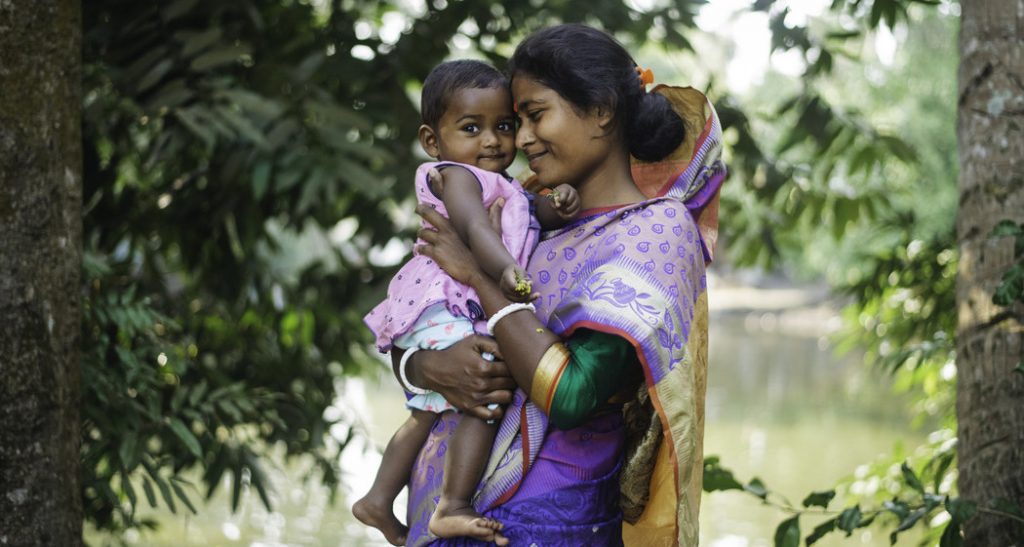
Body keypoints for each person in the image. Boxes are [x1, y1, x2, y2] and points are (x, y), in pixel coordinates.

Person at [396, 24, 727, 546]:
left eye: (533, 115)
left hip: (544, 523)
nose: (518, 140)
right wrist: (421, 367)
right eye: (516, 121)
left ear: (601, 110)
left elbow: (571, 394)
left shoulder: (656, 231)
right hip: (443, 509)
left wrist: (480, 277)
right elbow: (423, 312)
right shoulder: (524, 212)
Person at [354, 59, 581, 546]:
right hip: (448, 298)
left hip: (446, 304)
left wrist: (556, 203)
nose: (493, 141)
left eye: (503, 126)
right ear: (433, 141)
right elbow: (477, 229)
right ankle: (452, 505)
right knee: (485, 397)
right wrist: (504, 272)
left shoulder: (503, 184)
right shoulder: (456, 176)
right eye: (471, 128)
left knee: (426, 411)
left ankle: (377, 497)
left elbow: (526, 213)